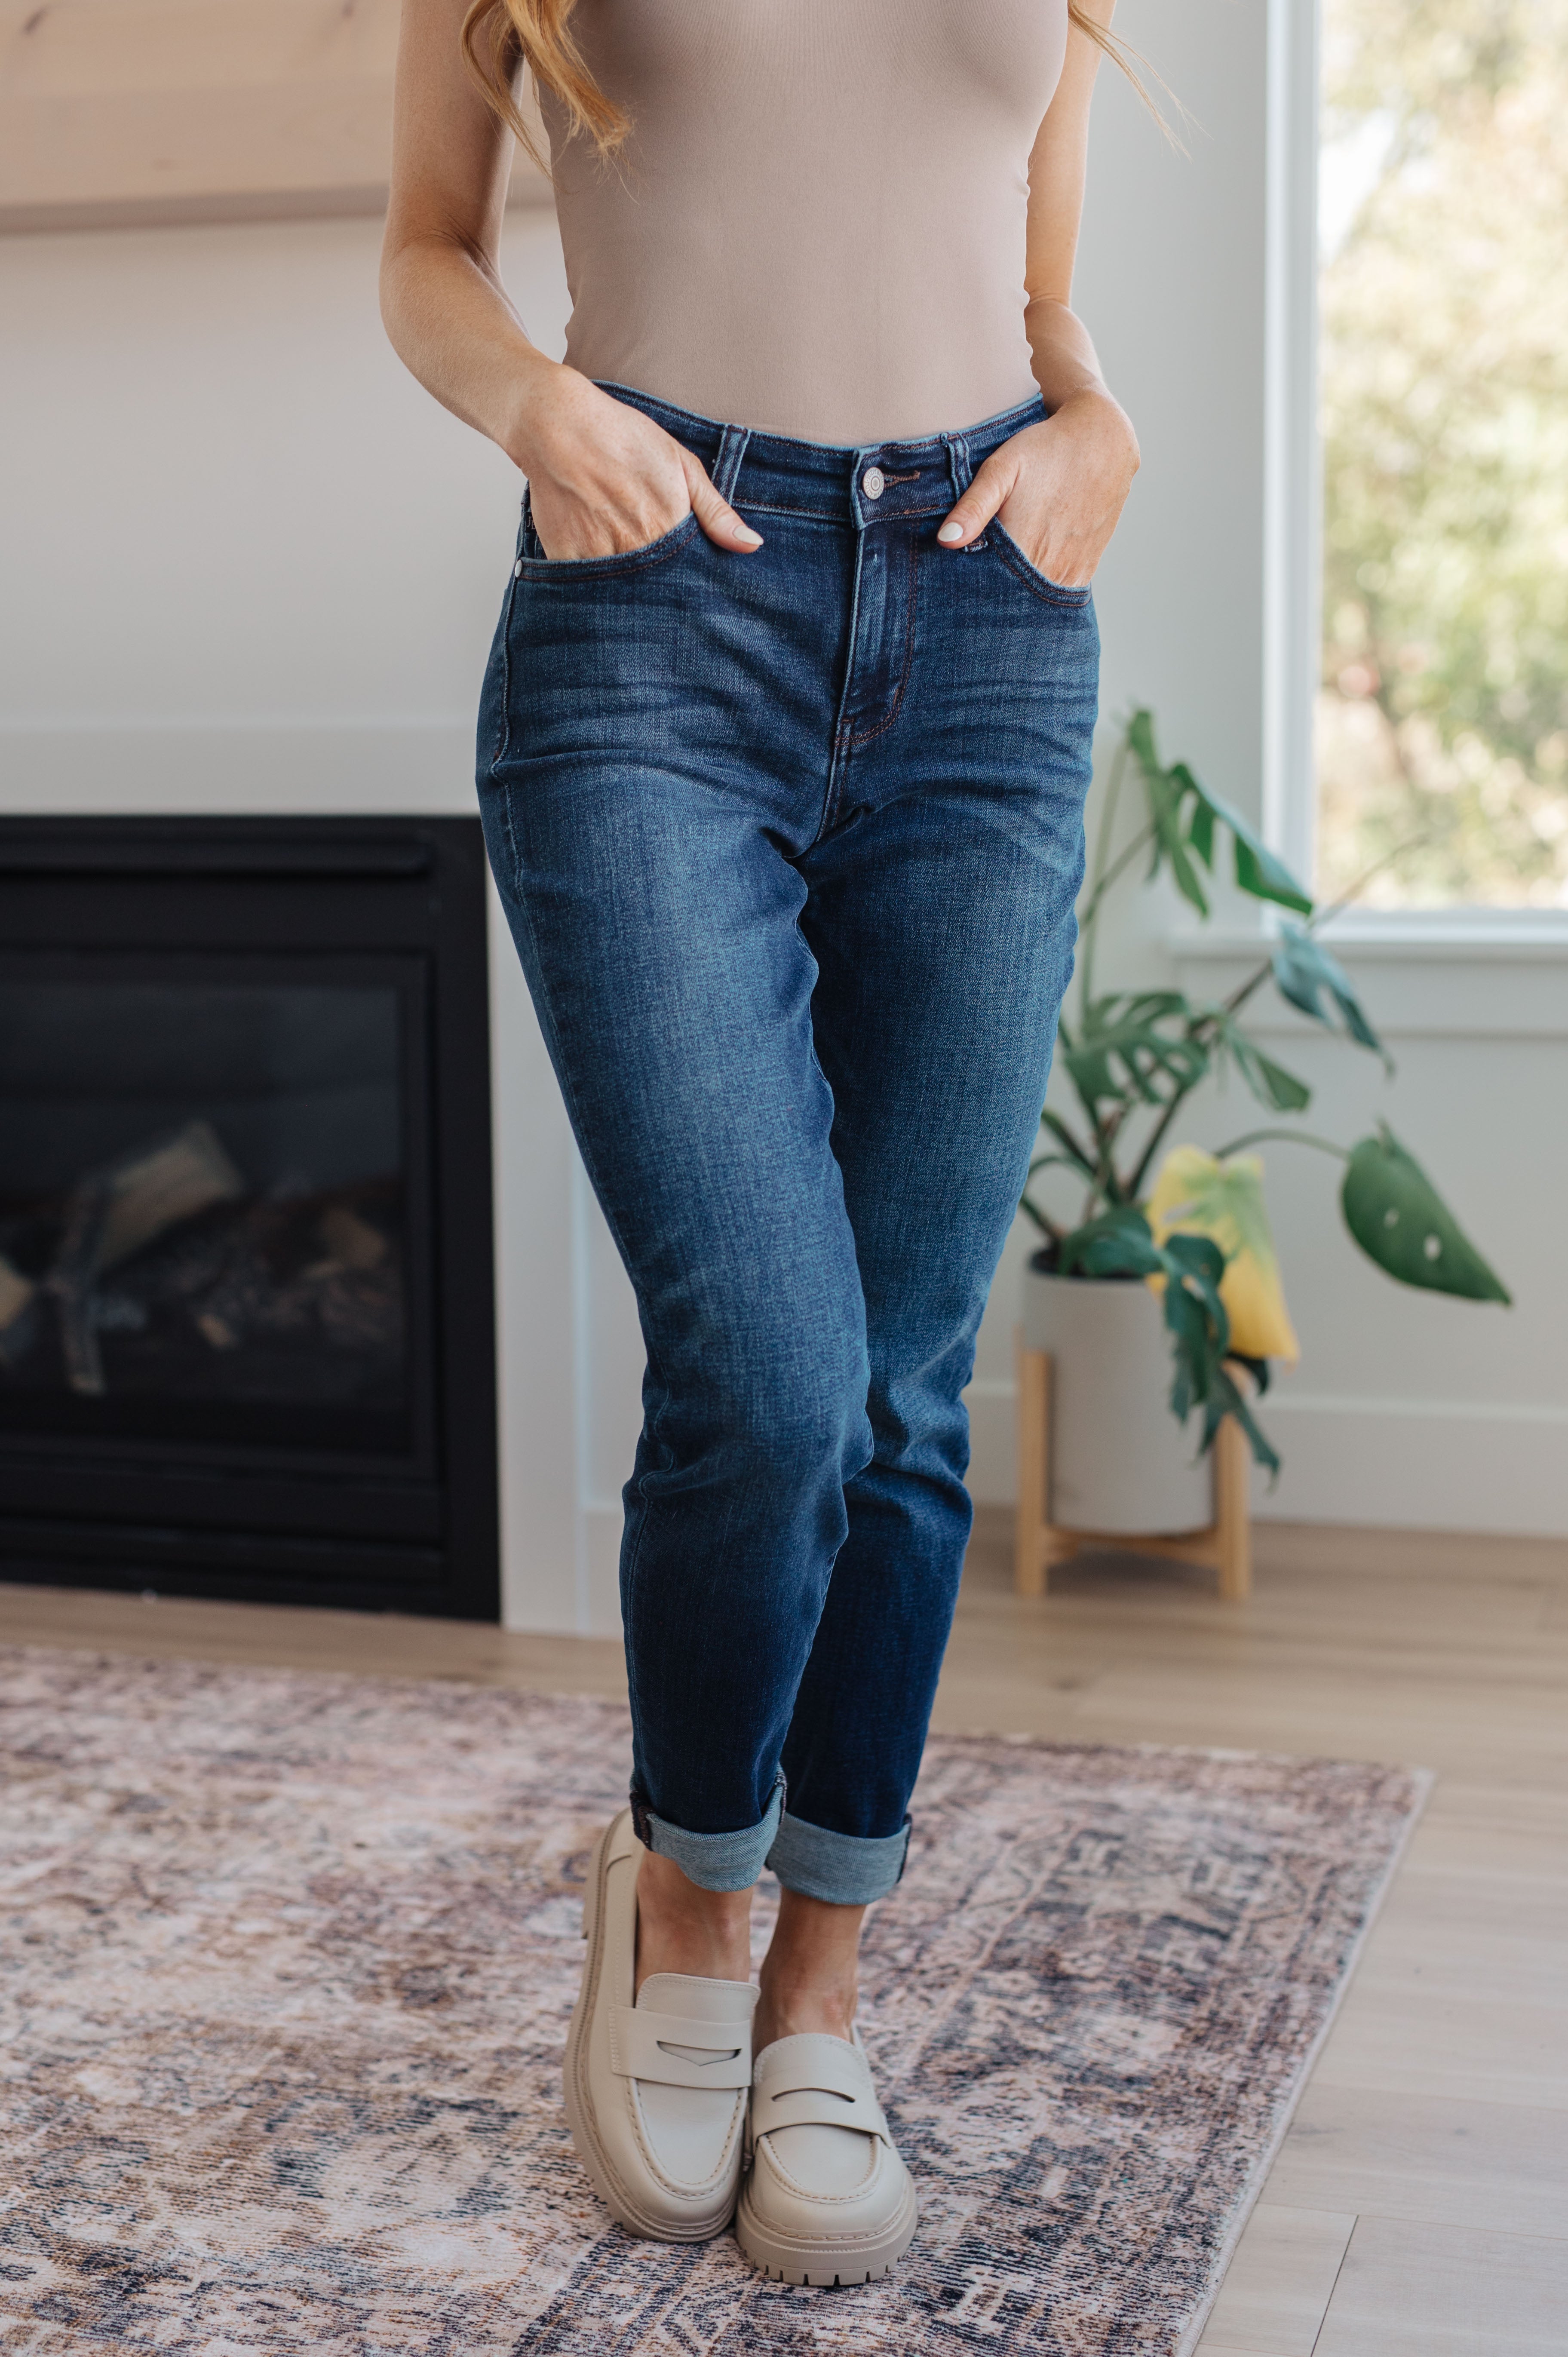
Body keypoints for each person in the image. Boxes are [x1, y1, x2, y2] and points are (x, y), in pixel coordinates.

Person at [382, 0, 1138, 2287]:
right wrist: (531, 401)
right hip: (655, 624)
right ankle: (689, 1899)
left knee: (905, 1386)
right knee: (772, 1374)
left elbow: (1034, 292)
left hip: (996, 630)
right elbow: (426, 245)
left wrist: (1099, 418)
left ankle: (824, 1975)